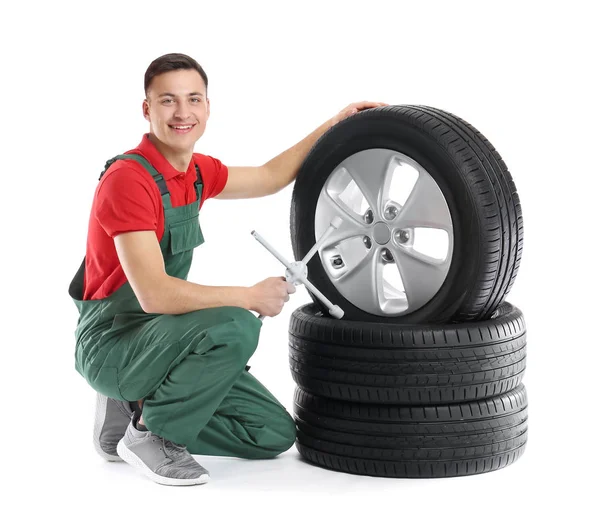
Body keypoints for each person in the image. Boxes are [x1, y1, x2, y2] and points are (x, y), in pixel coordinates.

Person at [68, 52, 386, 486]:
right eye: (167, 101)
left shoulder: (196, 173)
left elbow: (271, 175)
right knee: (236, 326)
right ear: (147, 109)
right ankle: (151, 435)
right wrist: (249, 297)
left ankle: (132, 406)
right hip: (114, 341)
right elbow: (154, 295)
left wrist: (335, 124)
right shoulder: (129, 180)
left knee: (269, 435)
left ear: (207, 107)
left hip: (163, 340)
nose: (183, 113)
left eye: (193, 99)